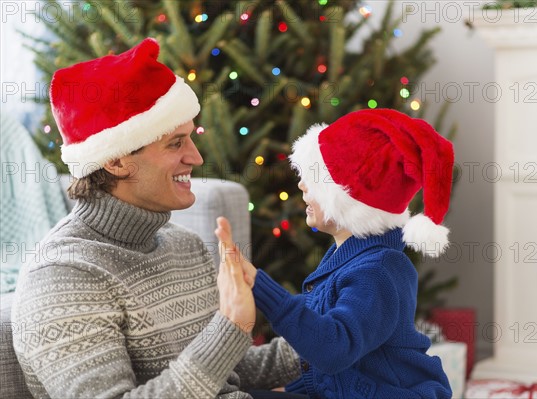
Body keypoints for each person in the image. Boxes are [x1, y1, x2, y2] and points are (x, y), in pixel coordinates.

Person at [11, 38, 303, 399]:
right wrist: (230, 326)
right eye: (175, 143)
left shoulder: (183, 245)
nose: (196, 158)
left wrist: (344, 331)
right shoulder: (64, 276)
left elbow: (229, 370)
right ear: (116, 160)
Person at [216, 109, 455, 399]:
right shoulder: (346, 258)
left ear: (348, 200)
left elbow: (333, 350)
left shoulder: (378, 271)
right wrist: (287, 389)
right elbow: (343, 371)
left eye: (314, 180)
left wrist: (259, 284)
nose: (302, 185)